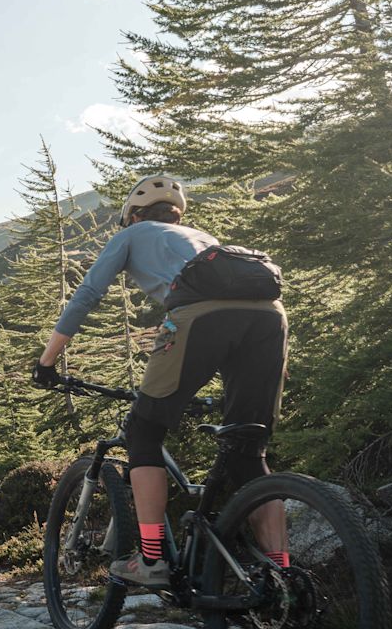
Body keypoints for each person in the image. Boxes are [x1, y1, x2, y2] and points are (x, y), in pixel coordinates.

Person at [33, 173, 287, 587]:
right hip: (271, 318)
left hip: (199, 318)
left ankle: (152, 560)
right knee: (249, 448)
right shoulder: (205, 238)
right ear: (176, 213)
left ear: (133, 216)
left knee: (144, 431)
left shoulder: (134, 234)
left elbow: (87, 294)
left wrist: (47, 362)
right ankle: (281, 573)